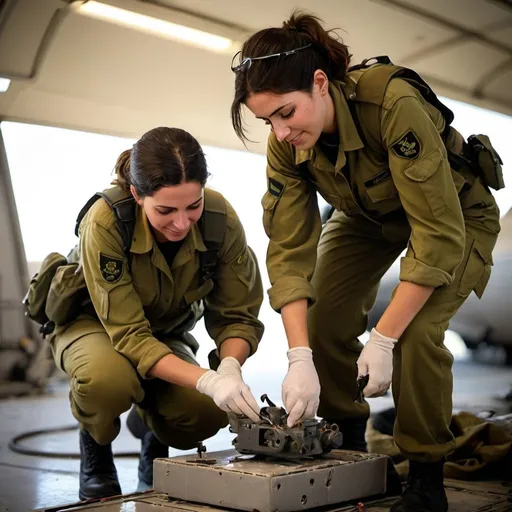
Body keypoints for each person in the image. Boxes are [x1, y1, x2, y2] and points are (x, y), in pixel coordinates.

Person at [230, 12, 501, 512]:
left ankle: (425, 476)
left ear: (319, 83)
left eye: (287, 113)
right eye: (268, 120)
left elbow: (437, 233)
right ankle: (352, 448)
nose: (281, 131)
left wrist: (382, 339)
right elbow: (288, 249)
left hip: (455, 216)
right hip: (368, 217)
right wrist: (299, 357)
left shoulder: (390, 102)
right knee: (321, 320)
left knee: (416, 334)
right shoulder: (285, 146)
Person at [46, 127, 264, 500]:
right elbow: (129, 334)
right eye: (165, 210)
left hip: (165, 331)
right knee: (107, 382)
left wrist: (228, 368)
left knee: (205, 413)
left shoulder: (218, 219)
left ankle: (152, 430)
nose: (181, 223)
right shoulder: (106, 221)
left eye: (192, 206)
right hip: (93, 325)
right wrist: (205, 379)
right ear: (136, 193)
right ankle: (95, 446)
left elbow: (237, 314)